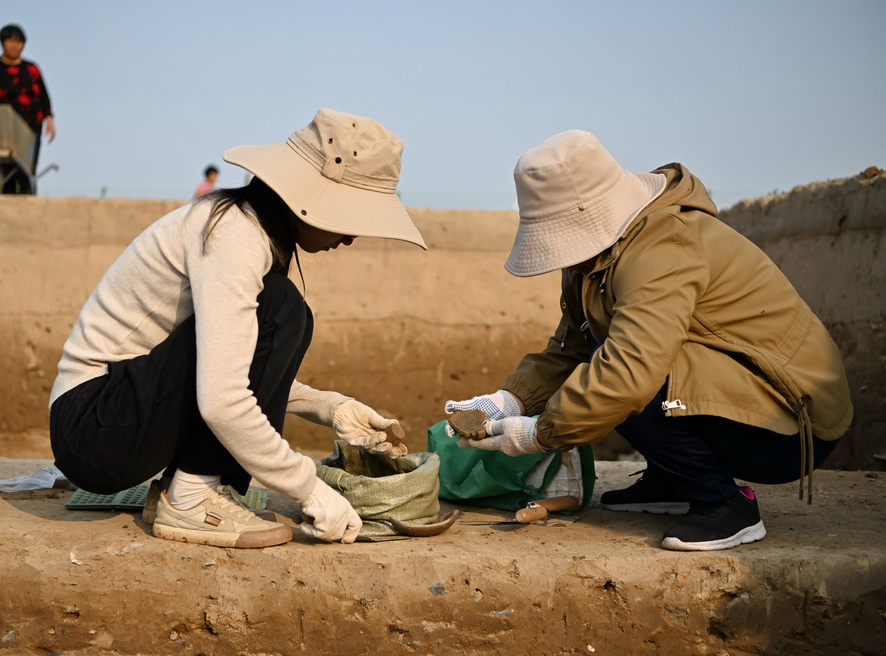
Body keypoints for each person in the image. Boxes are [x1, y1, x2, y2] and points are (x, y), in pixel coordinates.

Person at [446, 130, 851, 552]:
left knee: (621, 375)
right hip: (747, 403)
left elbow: (628, 372)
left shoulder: (662, 246)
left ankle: (724, 504)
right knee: (608, 361)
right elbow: (571, 347)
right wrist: (507, 402)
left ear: (593, 220)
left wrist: (540, 435)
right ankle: (673, 479)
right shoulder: (596, 260)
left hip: (788, 427)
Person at [49, 108, 427, 548]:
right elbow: (223, 399)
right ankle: (191, 496)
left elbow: (228, 362)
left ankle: (193, 487)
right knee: (283, 310)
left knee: (289, 314)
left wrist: (331, 408)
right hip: (93, 427)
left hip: (116, 416)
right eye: (351, 218)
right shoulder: (234, 235)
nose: (352, 237)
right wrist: (309, 487)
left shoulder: (247, 228)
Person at [0, 24, 55, 192]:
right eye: (11, 41)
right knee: (6, 169)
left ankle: (27, 197)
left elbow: (43, 96)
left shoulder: (31, 69)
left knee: (27, 168)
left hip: (30, 126)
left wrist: (49, 120)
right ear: (2, 43)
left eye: (19, 42)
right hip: (1, 126)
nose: (15, 46)